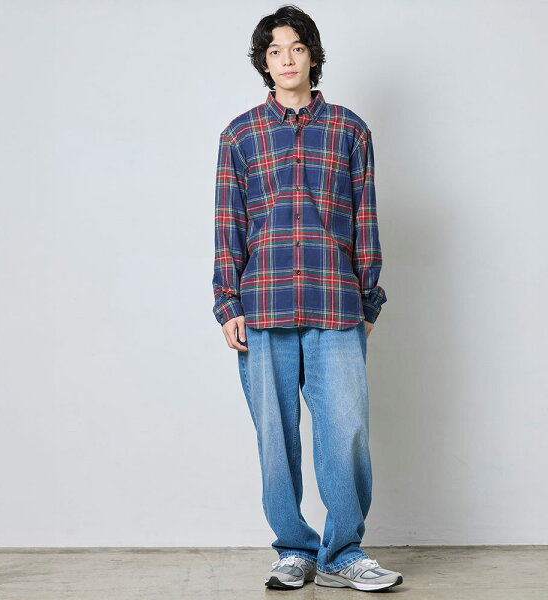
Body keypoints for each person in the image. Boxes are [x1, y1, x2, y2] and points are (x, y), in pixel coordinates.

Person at [211, 4, 403, 593]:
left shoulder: (349, 130)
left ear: (312, 55)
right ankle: (294, 550)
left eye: (295, 48)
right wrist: (227, 304)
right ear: (263, 63)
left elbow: (365, 220)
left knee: (346, 433)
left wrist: (368, 300)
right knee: (276, 438)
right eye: (274, 51)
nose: (286, 60)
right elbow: (229, 224)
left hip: (335, 304)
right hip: (262, 306)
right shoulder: (240, 135)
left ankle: (343, 554)